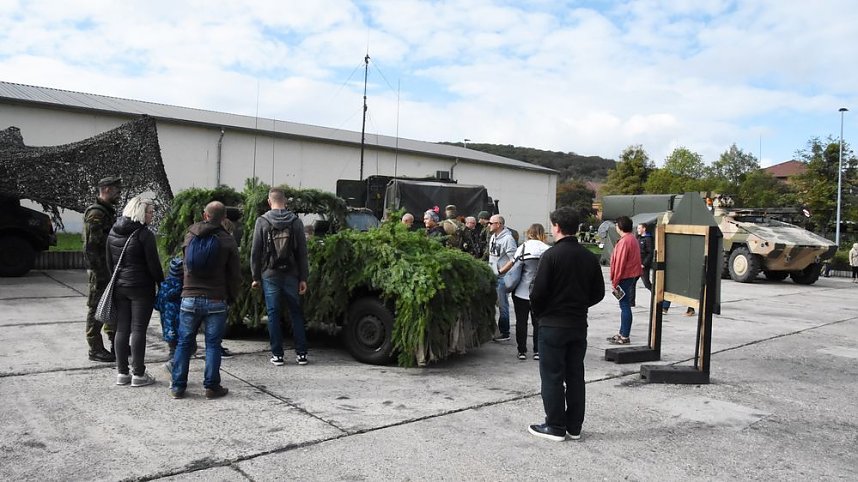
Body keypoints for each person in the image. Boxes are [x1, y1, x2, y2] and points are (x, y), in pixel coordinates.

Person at [528, 207, 605, 442]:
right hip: (577, 324)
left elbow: (537, 293)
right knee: (574, 375)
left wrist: (542, 314)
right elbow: (599, 293)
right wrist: (579, 305)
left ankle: (555, 425)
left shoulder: (551, 256)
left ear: (557, 227)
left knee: (552, 376)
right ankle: (574, 426)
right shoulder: (588, 256)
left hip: (553, 324)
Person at [170, 201, 241, 399]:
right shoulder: (227, 240)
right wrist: (232, 297)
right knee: (213, 344)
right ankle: (211, 386)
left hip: (190, 297)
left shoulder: (190, 235)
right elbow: (234, 274)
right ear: (224, 218)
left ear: (205, 215)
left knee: (184, 342)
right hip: (216, 299)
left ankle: (178, 386)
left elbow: (184, 266)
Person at [106, 196, 164, 387]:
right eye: (150, 212)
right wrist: (161, 282)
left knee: (122, 329)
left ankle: (122, 373)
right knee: (138, 329)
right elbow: (153, 265)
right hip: (141, 288)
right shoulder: (144, 234)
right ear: (140, 212)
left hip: (120, 286)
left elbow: (109, 262)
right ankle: (138, 374)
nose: (152, 215)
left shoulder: (113, 231)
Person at [251, 188, 311, 367]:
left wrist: (255, 277)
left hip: (270, 273)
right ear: (285, 202)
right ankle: (301, 354)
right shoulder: (295, 221)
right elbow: (302, 253)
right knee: (296, 313)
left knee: (273, 314)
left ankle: (277, 355)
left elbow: (255, 252)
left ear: (269, 202)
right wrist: (303, 278)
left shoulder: (262, 221)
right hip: (292, 273)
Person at [83, 175, 122, 362]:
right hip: (100, 270)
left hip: (109, 268)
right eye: (116, 190)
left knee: (111, 305)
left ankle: (116, 342)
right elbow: (92, 246)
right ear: (106, 189)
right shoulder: (97, 214)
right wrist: (96, 271)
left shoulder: (107, 212)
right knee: (96, 307)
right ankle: (95, 348)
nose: (119, 193)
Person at [499, 223, 550, 360]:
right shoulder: (547, 250)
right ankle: (537, 351)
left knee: (521, 322)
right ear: (542, 233)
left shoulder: (523, 247)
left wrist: (500, 272)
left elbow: (513, 265)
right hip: (540, 293)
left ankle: (522, 351)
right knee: (538, 323)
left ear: (529, 233)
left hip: (521, 292)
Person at [608, 216, 642, 345]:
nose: (616, 227)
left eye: (616, 225)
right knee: (625, 304)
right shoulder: (632, 238)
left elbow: (620, 263)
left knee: (624, 306)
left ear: (620, 226)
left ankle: (625, 335)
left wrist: (615, 281)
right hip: (630, 275)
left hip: (624, 277)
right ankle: (622, 332)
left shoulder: (624, 241)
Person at [488, 214, 517, 341]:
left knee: (502, 305)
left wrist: (500, 271)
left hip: (502, 277)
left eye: (491, 223)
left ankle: (505, 332)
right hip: (492, 274)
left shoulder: (508, 239)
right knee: (493, 303)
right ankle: (495, 329)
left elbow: (513, 259)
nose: (489, 225)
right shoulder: (493, 237)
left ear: (498, 224)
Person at [154, 256, 184, 373]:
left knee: (172, 349)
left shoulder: (165, 286)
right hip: (182, 326)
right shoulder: (183, 288)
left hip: (168, 327)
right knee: (186, 347)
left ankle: (172, 368)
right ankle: (174, 367)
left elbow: (157, 305)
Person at [637, 223, 654, 299]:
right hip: (637, 264)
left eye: (639, 228)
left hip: (643, 265)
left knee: (646, 283)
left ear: (644, 229)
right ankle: (631, 302)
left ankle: (656, 295)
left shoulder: (648, 239)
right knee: (632, 283)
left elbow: (650, 253)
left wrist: (644, 264)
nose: (638, 230)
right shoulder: (638, 238)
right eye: (637, 228)